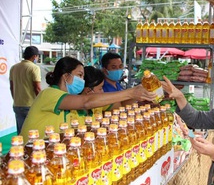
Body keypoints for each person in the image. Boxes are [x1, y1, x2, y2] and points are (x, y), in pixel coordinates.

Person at [19, 56, 156, 142]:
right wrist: (131, 92)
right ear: (66, 77)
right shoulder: (49, 94)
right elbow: (86, 102)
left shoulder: (81, 99)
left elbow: (119, 105)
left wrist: (144, 96)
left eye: (83, 77)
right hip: (31, 155)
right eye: (79, 75)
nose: (82, 80)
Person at [9, 46, 42, 134]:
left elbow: (12, 87)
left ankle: (20, 147)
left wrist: (15, 99)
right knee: (32, 134)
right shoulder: (34, 68)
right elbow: (37, 88)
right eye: (38, 56)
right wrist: (41, 102)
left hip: (17, 104)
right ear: (34, 56)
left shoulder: (14, 68)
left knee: (21, 133)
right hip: (30, 105)